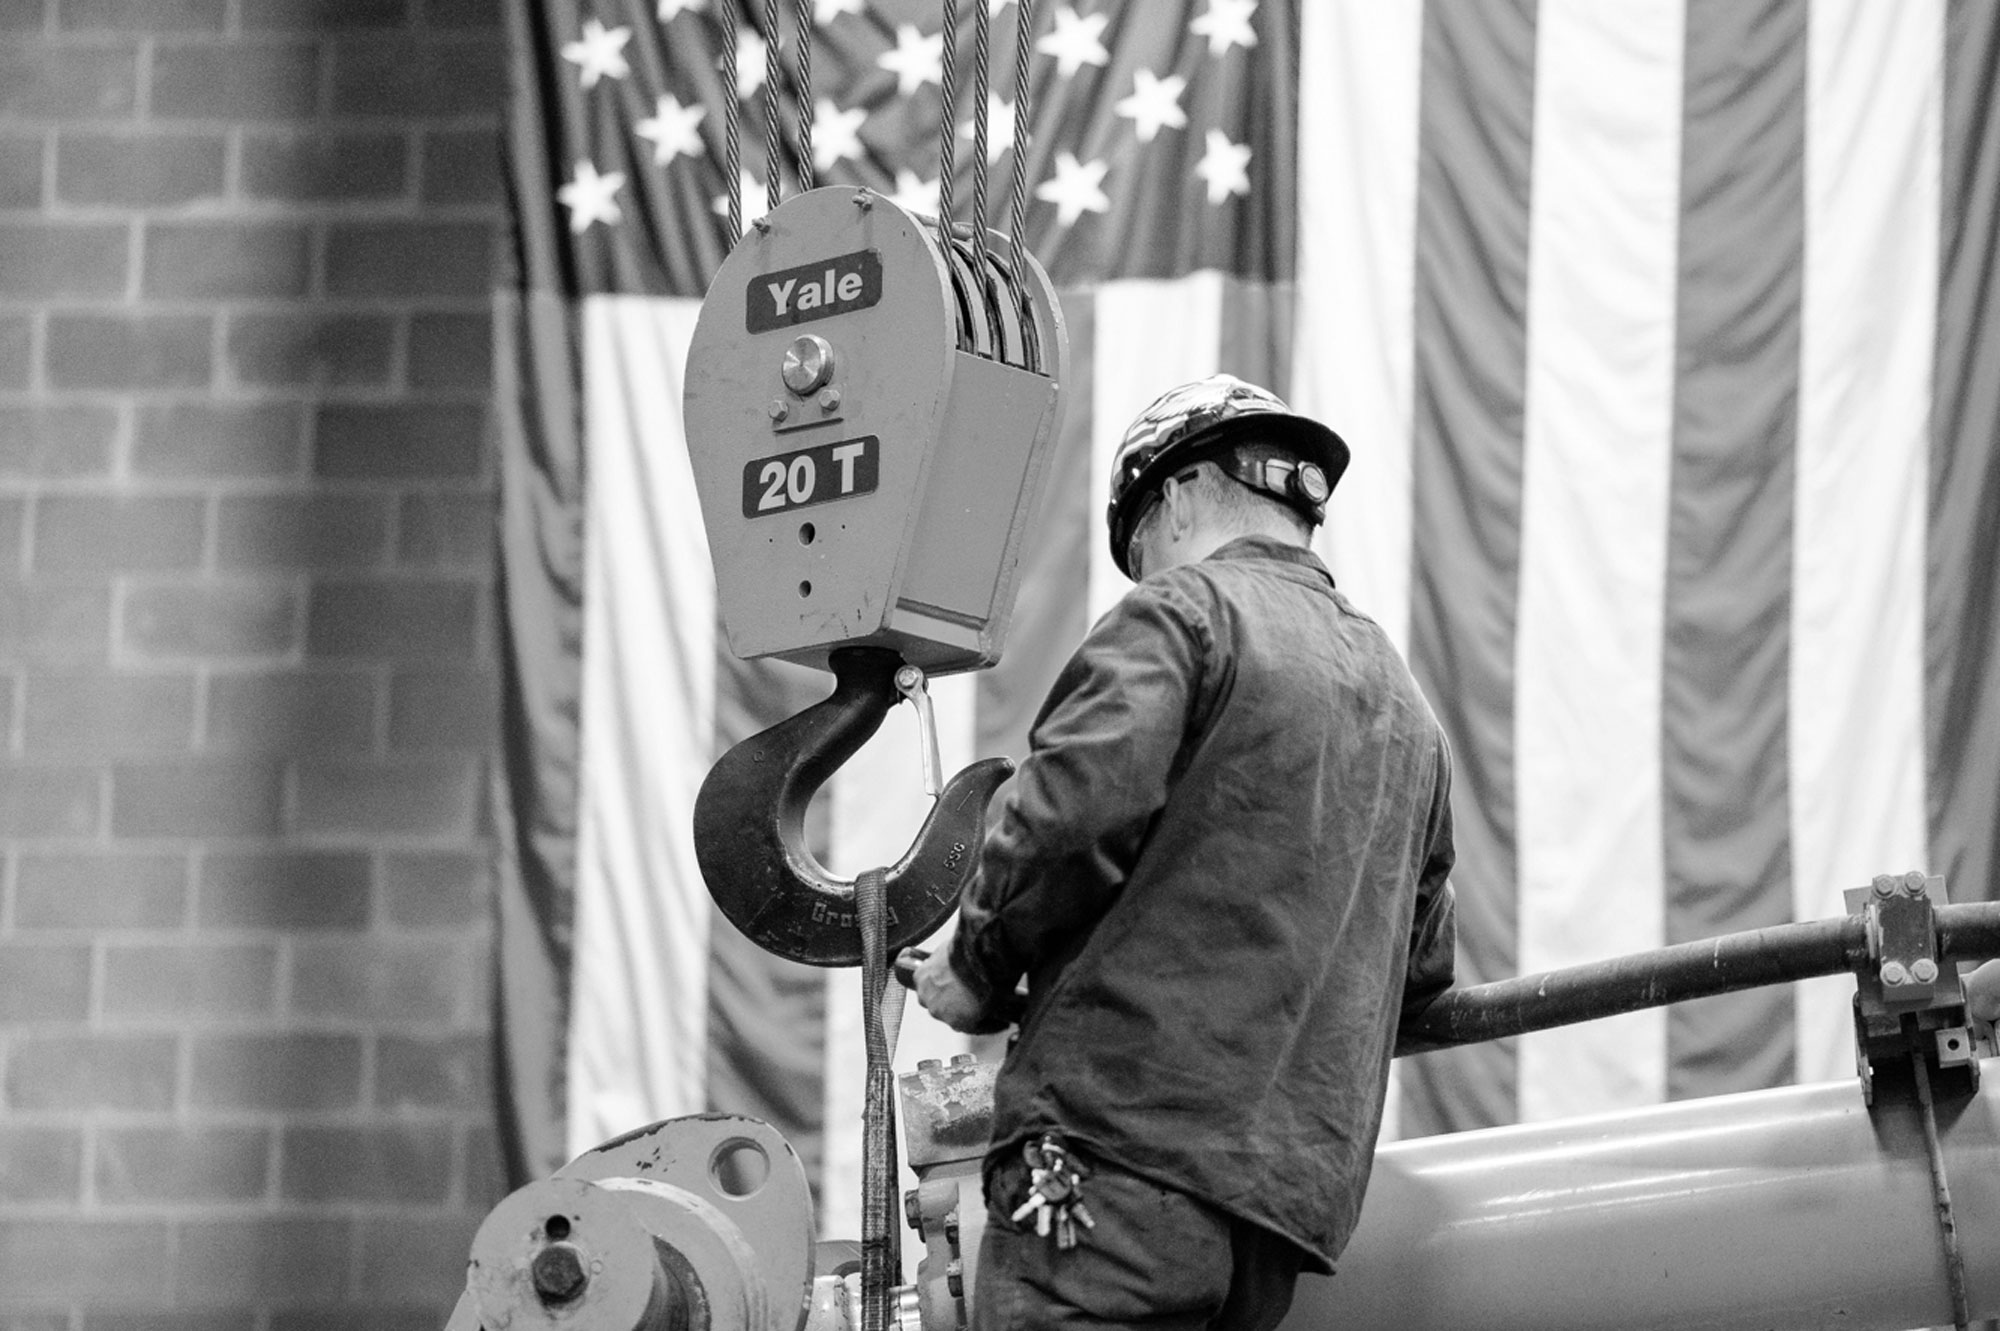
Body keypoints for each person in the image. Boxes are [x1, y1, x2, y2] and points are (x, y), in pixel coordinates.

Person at [914, 375, 1459, 1331]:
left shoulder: (1184, 614)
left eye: (1142, 554)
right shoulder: (1408, 710)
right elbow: (1419, 971)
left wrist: (974, 963)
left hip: (1111, 1163)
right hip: (1275, 1218)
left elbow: (1071, 816)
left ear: (1172, 498)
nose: (1148, 574)